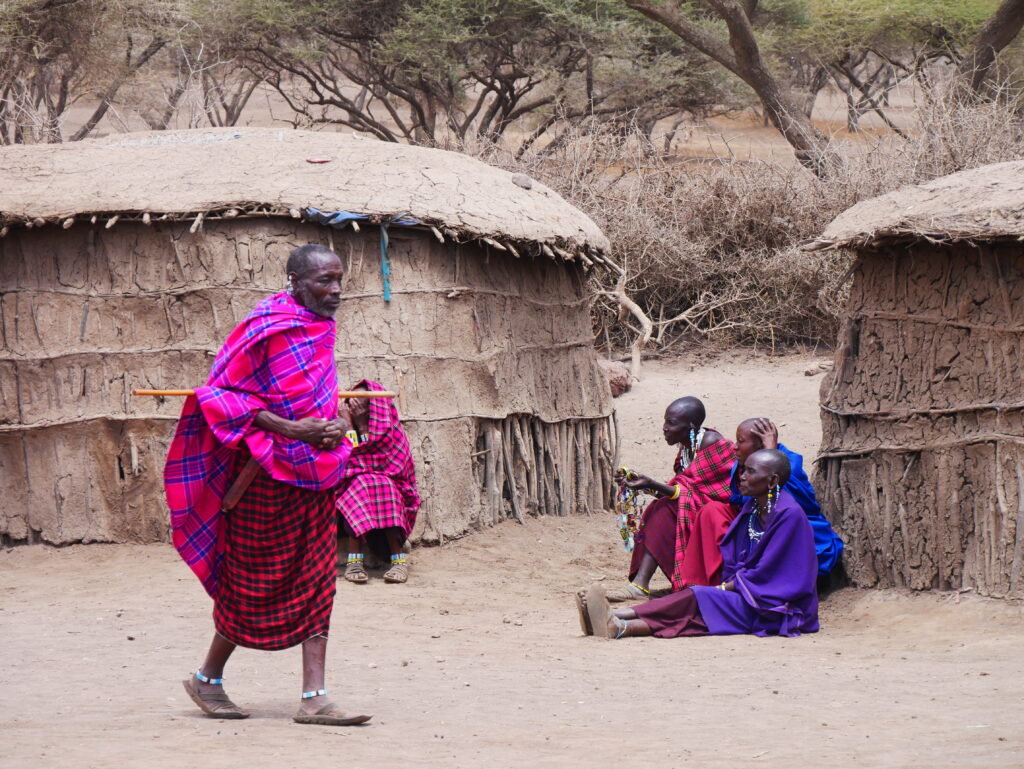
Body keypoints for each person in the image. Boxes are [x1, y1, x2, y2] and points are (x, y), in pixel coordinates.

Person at [165, 243, 371, 726]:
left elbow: (314, 400)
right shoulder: (266, 327)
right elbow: (219, 397)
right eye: (324, 281)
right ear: (295, 281)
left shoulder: (321, 328)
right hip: (264, 478)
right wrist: (293, 429)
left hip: (315, 477)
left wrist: (339, 423)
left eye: (340, 280)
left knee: (320, 581)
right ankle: (207, 678)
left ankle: (314, 697)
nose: (336, 290)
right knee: (250, 584)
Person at [578, 449, 819, 640]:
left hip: (778, 606)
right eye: (743, 470)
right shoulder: (754, 507)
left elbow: (776, 574)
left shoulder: (788, 515)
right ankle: (618, 626)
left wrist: (728, 588)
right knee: (695, 612)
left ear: (772, 480)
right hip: (751, 593)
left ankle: (616, 616)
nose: (742, 476)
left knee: (698, 598)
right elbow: (740, 555)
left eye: (750, 472)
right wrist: (730, 584)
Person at [679, 418, 843, 587]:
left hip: (789, 533)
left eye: (741, 442)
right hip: (753, 521)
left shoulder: (788, 466)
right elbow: (739, 501)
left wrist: (771, 453)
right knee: (712, 512)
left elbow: (784, 503)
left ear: (760, 446)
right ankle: (704, 584)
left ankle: (738, 585)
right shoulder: (740, 467)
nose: (734, 446)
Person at [607, 396, 735, 601]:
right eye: (665, 421)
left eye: (672, 423)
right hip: (697, 507)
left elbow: (712, 494)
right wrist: (644, 485)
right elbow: (683, 492)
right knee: (661, 508)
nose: (665, 428)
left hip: (721, 514)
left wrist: (654, 485)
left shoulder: (711, 444)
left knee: (662, 509)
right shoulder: (686, 447)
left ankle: (641, 585)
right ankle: (641, 584)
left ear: (691, 425)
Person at [337, 379, 421, 584]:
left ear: (374, 410)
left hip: (390, 486)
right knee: (360, 485)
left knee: (385, 488)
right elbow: (347, 460)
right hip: (351, 487)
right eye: (351, 404)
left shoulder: (392, 432)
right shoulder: (344, 427)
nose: (354, 408)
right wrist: (349, 426)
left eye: (360, 406)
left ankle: (398, 560)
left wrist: (365, 427)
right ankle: (354, 561)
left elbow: (393, 467)